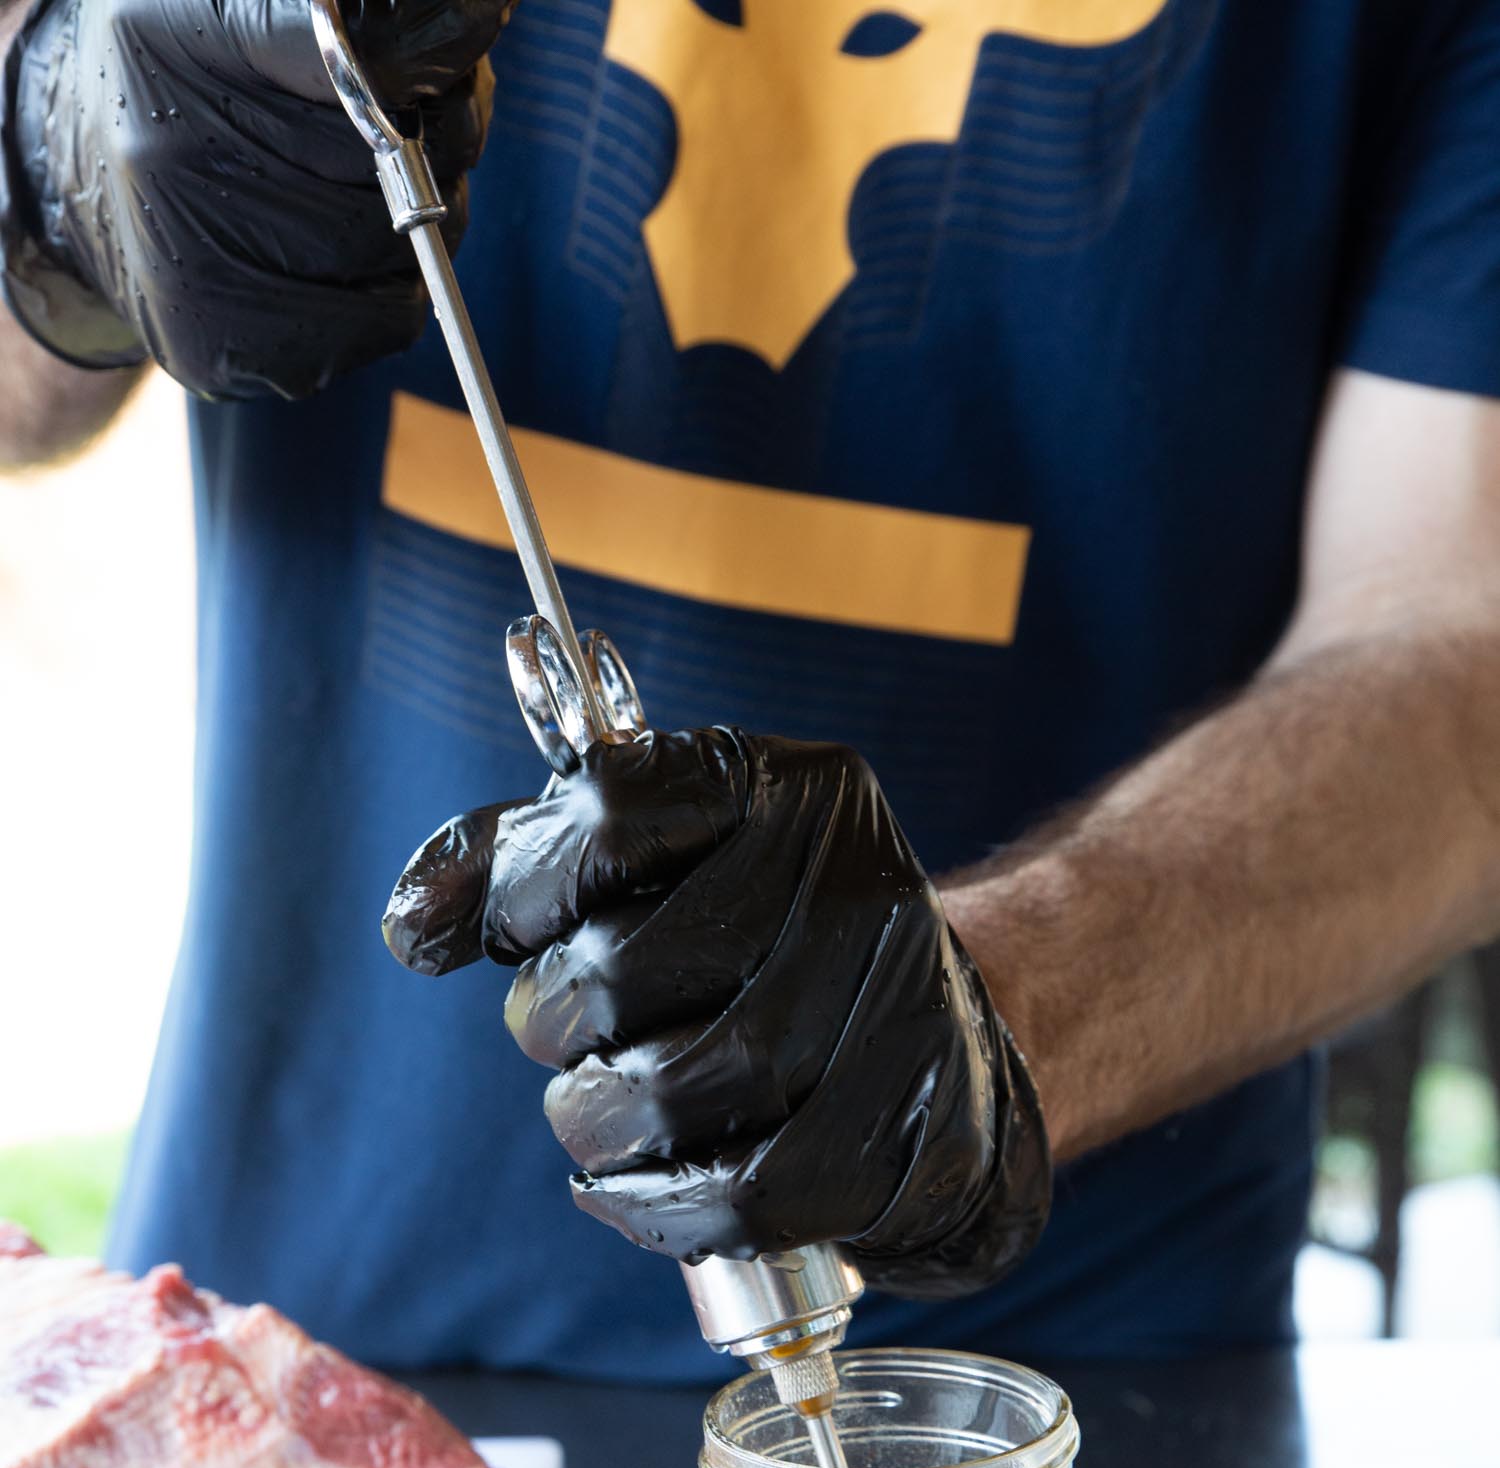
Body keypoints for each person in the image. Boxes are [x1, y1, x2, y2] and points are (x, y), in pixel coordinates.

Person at [3, 0, 1499, 1378]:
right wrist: (52, 156)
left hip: (1051, 1405)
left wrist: (1003, 1013)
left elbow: (1463, 658)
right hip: (294, 1347)